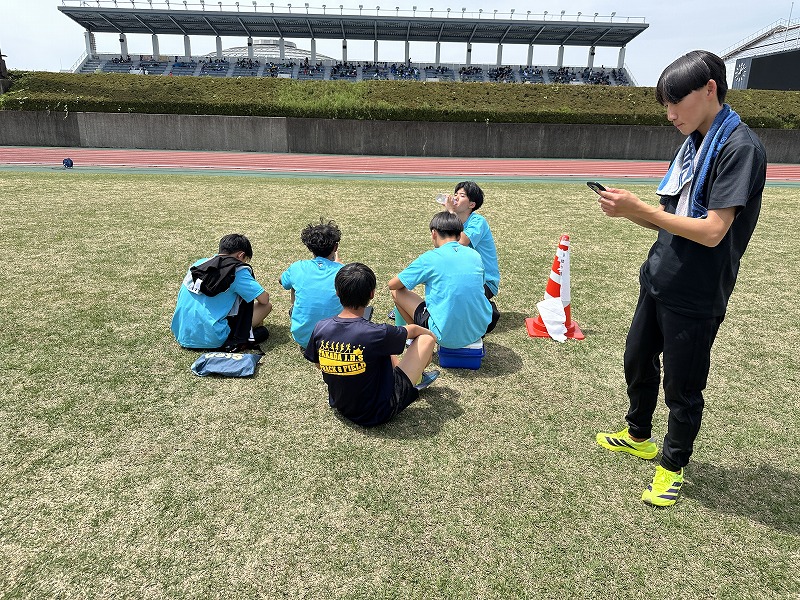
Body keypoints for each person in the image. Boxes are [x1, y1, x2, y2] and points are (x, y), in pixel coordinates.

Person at [593, 50, 767, 507]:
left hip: (697, 291)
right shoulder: (694, 143)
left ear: (710, 89)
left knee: (683, 387)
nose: (670, 114)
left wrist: (642, 210)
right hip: (660, 275)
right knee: (637, 359)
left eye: (676, 102)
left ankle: (672, 465)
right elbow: (669, 215)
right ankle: (638, 435)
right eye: (666, 105)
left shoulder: (739, 147)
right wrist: (630, 211)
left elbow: (712, 231)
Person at [304, 262, 439, 427]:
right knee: (425, 340)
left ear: (337, 292)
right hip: (380, 411)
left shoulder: (321, 327)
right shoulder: (378, 332)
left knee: (385, 346)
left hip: (342, 405)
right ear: (372, 293)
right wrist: (431, 335)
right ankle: (417, 378)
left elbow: (320, 365)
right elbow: (412, 330)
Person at [389, 211, 493, 349]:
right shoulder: (475, 255)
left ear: (434, 233)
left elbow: (393, 284)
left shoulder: (430, 258)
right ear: (459, 234)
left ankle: (418, 336)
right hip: (479, 329)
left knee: (397, 292)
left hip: (444, 335)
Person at [171, 233, 272, 350]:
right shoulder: (238, 271)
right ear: (241, 255)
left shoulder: (199, 264)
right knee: (266, 307)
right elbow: (264, 299)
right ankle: (241, 337)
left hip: (181, 333)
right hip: (214, 338)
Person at [280, 219, 344, 351]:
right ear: (335, 247)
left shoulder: (298, 267)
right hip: (335, 339)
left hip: (304, 339)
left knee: (294, 285)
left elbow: (283, 281)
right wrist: (339, 264)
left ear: (310, 247)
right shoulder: (343, 271)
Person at [444, 180, 501, 330]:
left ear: (472, 204)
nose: (455, 197)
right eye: (455, 194)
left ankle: (487, 309)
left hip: (485, 281)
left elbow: (462, 241)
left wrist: (451, 213)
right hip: (463, 274)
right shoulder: (452, 220)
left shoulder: (478, 221)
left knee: (455, 300)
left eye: (462, 195)